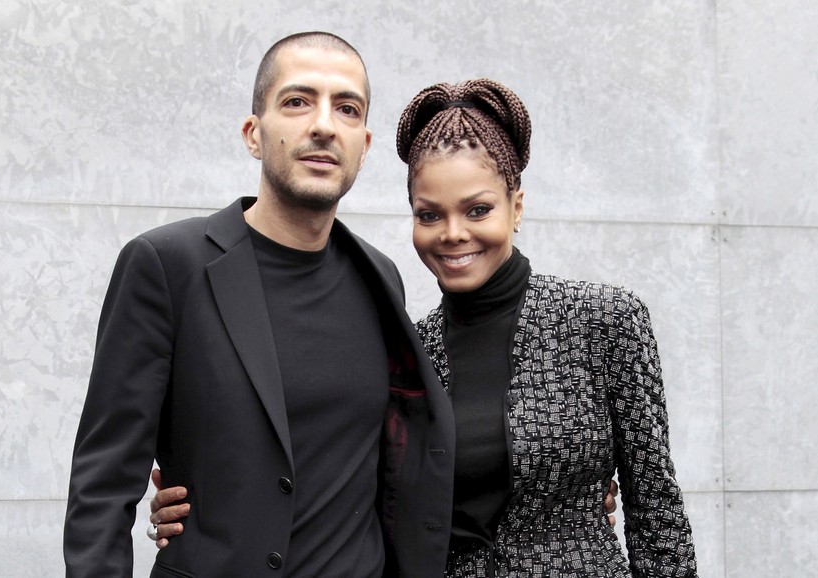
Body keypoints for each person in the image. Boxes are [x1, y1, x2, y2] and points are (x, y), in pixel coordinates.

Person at [153, 77, 698, 577]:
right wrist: (203, 500)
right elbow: (340, 481)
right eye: (429, 214)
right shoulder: (407, 348)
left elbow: (658, 515)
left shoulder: (603, 321)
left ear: (517, 206)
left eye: (478, 210)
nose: (453, 234)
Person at [63, 31, 457, 578]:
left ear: (363, 146)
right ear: (253, 133)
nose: (323, 124)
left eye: (346, 108)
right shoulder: (166, 265)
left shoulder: (380, 278)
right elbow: (102, 485)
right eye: (297, 102)